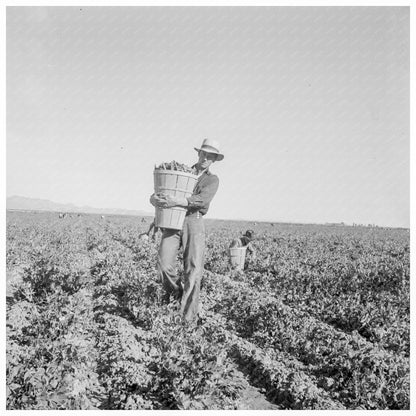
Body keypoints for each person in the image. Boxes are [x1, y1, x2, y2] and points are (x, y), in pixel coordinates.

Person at [149, 139, 224, 322]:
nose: (205, 158)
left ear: (214, 159)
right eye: (203, 154)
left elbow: (201, 200)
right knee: (163, 264)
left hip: (193, 221)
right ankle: (176, 296)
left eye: (210, 156)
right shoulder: (182, 173)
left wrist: (176, 201)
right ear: (198, 154)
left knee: (193, 270)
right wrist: (154, 200)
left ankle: (188, 318)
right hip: (172, 220)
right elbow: (163, 190)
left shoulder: (211, 179)